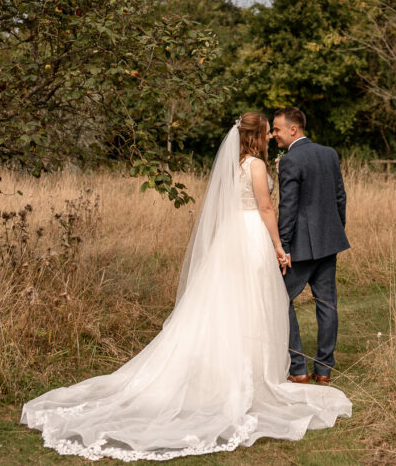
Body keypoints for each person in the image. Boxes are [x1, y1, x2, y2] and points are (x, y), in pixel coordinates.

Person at [21, 112, 351, 461]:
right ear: (257, 136)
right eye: (268, 132)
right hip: (263, 235)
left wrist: (280, 242)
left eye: (276, 131)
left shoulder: (239, 165)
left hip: (234, 236)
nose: (272, 137)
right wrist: (281, 244)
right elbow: (269, 206)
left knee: (239, 300)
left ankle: (287, 369)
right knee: (270, 301)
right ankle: (296, 371)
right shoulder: (272, 164)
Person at [271, 107, 349, 384]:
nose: (273, 135)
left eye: (277, 129)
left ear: (294, 129)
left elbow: (288, 207)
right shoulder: (330, 153)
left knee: (280, 300)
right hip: (330, 242)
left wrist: (284, 247)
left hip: (300, 248)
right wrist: (336, 230)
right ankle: (324, 370)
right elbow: (341, 197)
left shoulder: (291, 160)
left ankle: (298, 368)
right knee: (327, 304)